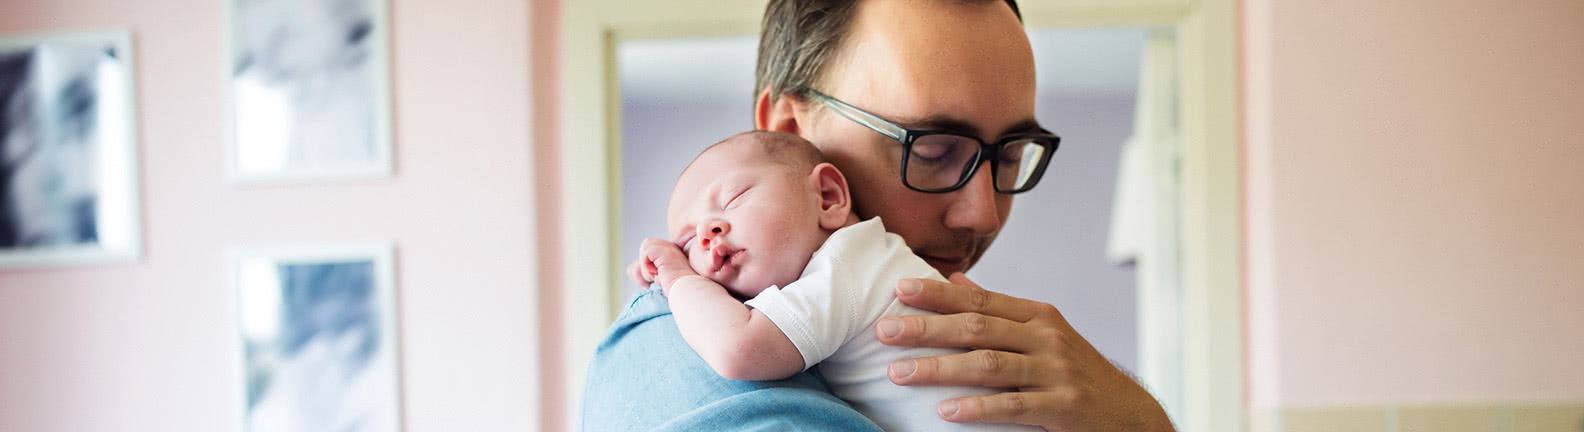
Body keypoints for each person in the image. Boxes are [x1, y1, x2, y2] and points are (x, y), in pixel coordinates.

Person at [583, 0, 1175, 430]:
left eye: (1011, 156)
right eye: (935, 151)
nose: (984, 213)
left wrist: (1138, 418)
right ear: (792, 130)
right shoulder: (681, 346)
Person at [632, 131, 1039, 431]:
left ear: (826, 197)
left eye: (733, 200)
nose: (707, 233)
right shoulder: (869, 259)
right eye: (687, 242)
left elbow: (739, 349)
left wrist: (678, 275)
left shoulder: (847, 265)